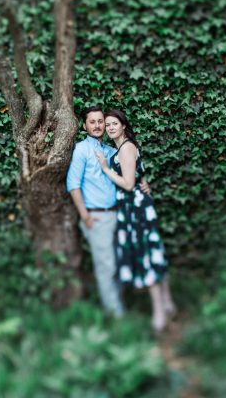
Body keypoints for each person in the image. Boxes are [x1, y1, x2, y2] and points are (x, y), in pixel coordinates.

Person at [94, 109, 176, 332]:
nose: (110, 127)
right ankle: (167, 302)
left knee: (146, 254)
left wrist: (104, 169)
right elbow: (139, 174)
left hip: (135, 208)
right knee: (152, 249)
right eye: (107, 124)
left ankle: (159, 310)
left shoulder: (126, 147)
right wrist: (144, 181)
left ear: (123, 126)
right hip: (134, 206)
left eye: (114, 124)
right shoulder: (123, 147)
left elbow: (129, 184)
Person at [66, 106, 150, 318]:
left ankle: (118, 306)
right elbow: (73, 185)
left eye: (100, 121)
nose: (97, 125)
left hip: (119, 214)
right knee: (107, 266)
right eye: (92, 122)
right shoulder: (81, 150)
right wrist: (85, 216)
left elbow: (130, 171)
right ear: (84, 126)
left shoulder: (112, 151)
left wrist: (144, 182)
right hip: (97, 217)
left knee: (120, 264)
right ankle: (116, 317)